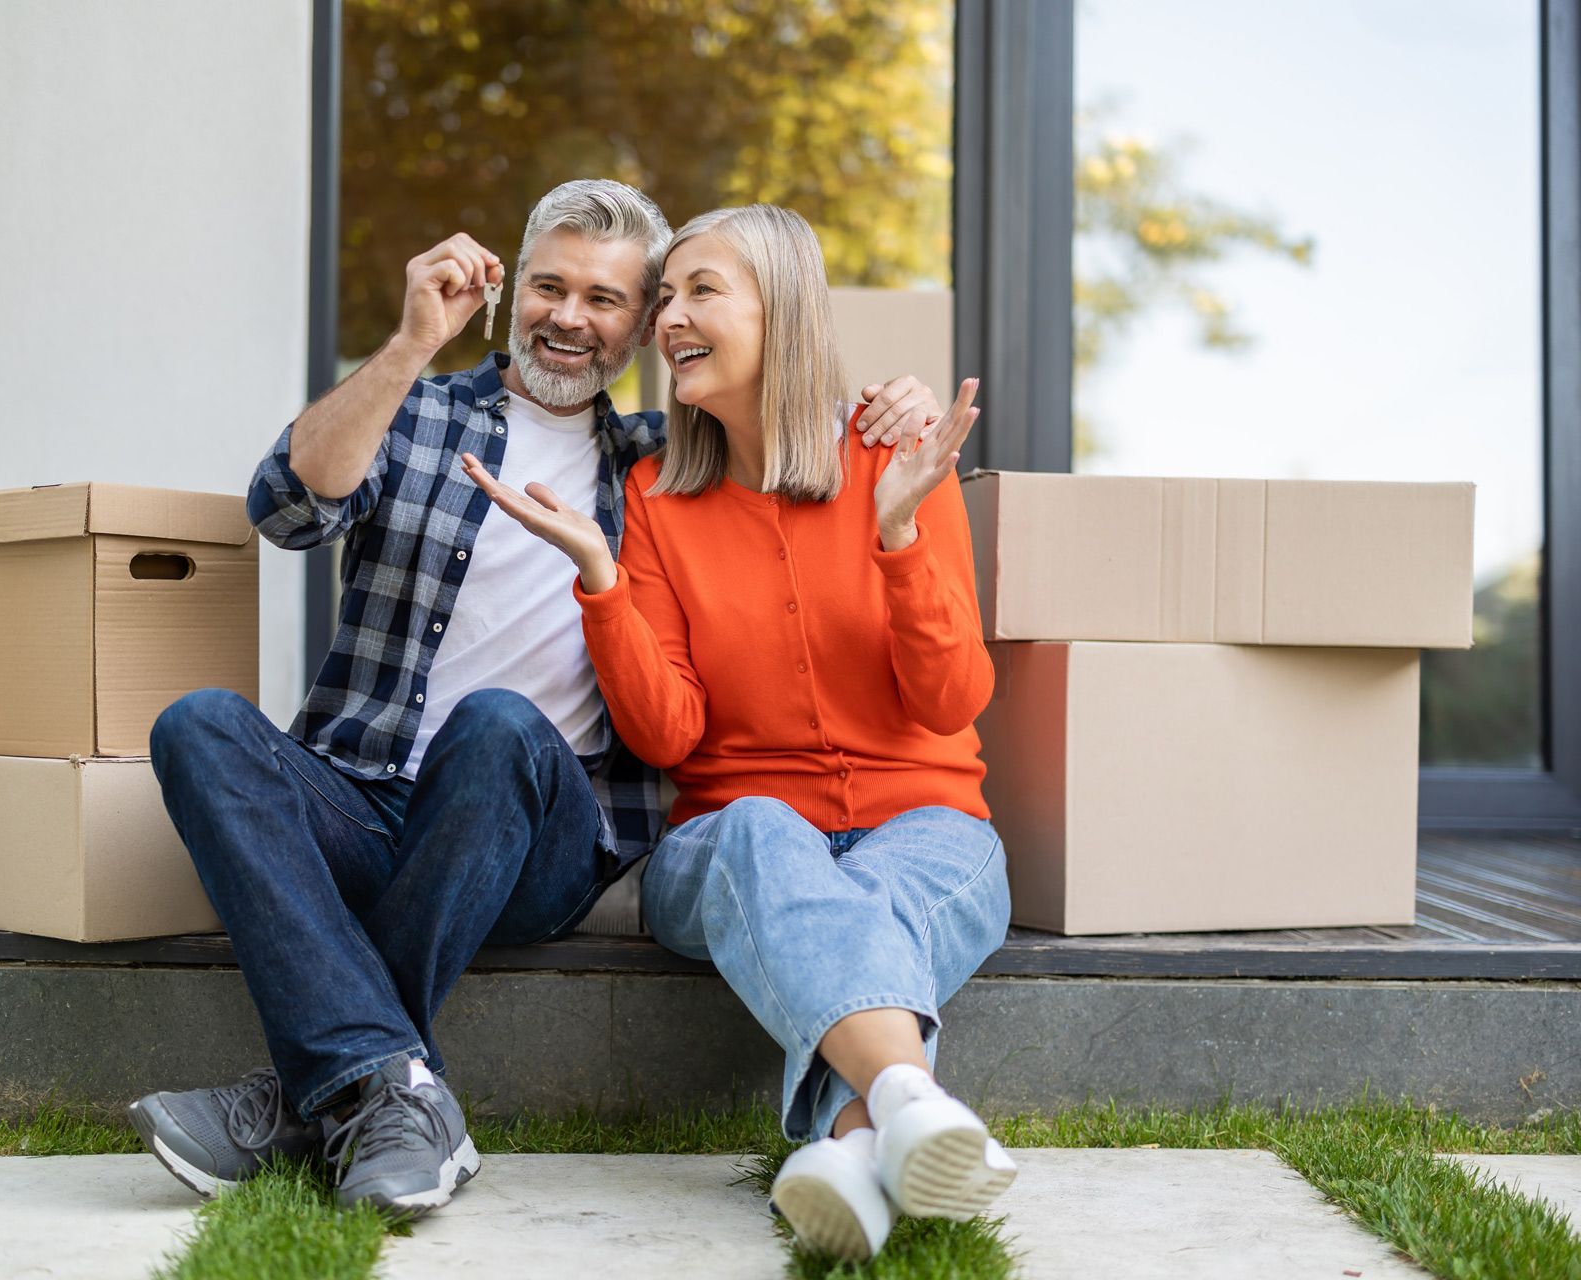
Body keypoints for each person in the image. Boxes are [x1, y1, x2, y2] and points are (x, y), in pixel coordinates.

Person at [129, 179, 949, 1218]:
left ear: (647, 321)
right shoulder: (414, 407)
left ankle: (307, 1093)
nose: (571, 316)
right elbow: (285, 509)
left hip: (535, 828)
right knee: (196, 724)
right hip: (362, 796)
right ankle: (382, 1092)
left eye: (607, 299)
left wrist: (892, 406)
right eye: (552, 287)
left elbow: (786, 413)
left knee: (499, 721)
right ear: (513, 290)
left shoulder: (662, 460)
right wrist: (409, 345)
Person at [463, 202, 1014, 1260]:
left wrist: (899, 531)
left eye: (699, 290)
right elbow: (671, 735)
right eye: (664, 296)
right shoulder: (657, 498)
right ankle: (911, 1096)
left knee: (885, 887)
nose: (668, 317)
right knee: (767, 827)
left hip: (929, 821)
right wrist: (603, 582)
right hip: (728, 846)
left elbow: (950, 703)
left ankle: (852, 1142)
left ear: (784, 310)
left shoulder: (895, 457)